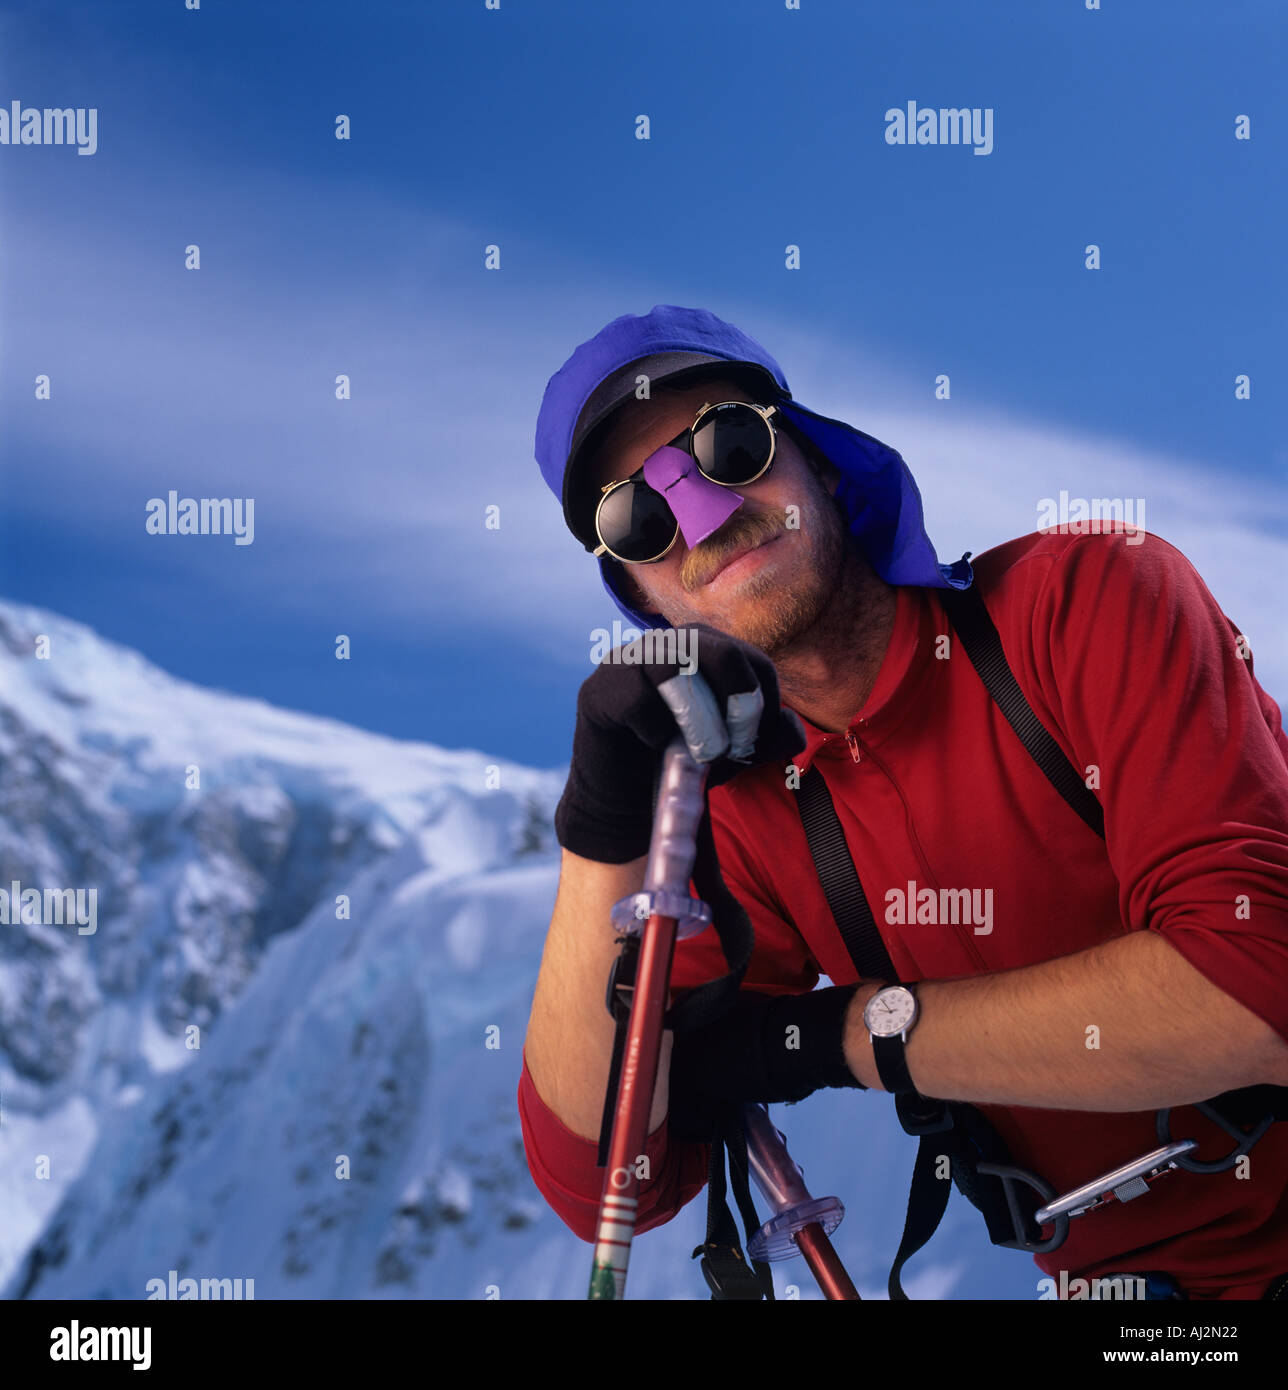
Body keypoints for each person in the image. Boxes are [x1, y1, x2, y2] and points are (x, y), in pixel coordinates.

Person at [519, 303, 1288, 1299]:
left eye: (728, 445)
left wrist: (832, 1033)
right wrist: (601, 831)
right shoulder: (749, 821)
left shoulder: (1080, 602)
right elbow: (607, 1184)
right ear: (639, 594)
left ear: (820, 460)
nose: (700, 516)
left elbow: (1255, 991)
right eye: (638, 516)